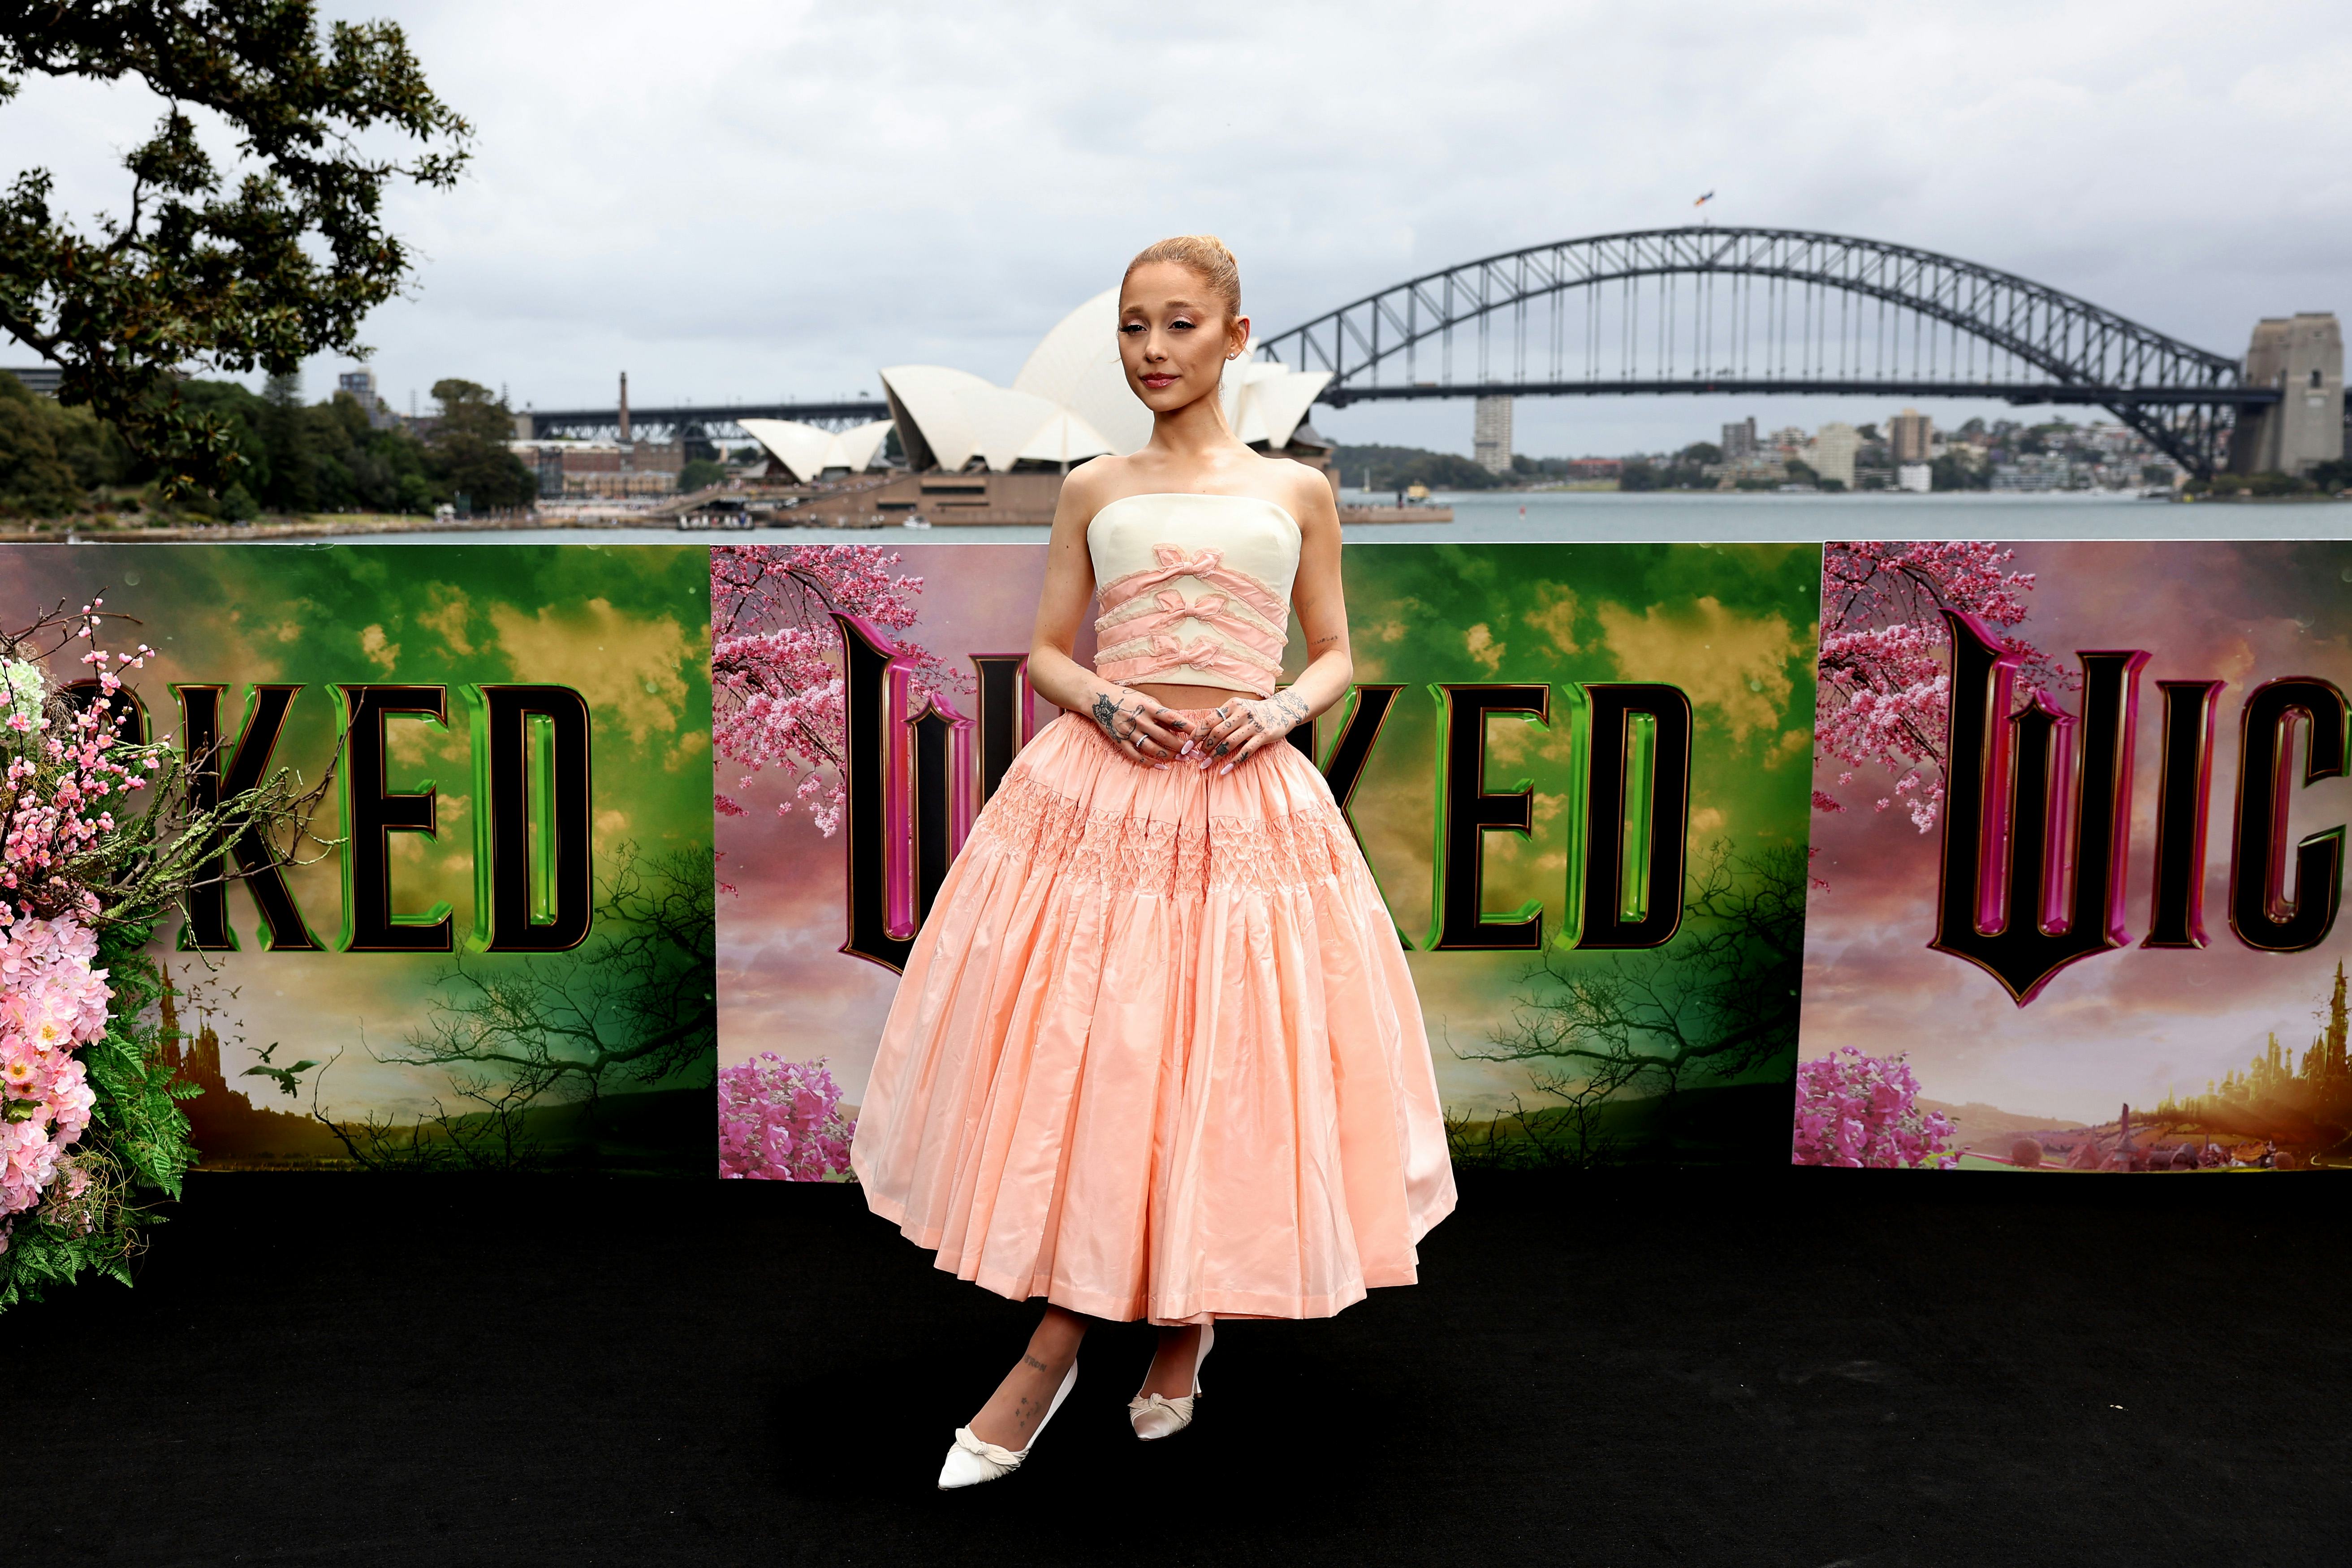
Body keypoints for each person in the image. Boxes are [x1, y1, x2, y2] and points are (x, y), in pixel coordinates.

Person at [848, 234, 1456, 1490]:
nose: (1150, 351)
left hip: (1245, 800)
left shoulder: (1298, 491)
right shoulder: (1092, 485)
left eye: (1179, 325)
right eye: (1134, 327)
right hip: (1102, 801)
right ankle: (1061, 1347)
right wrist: (1100, 701)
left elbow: (1335, 649)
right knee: (1099, 1060)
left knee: (1223, 1060)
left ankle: (1180, 1322)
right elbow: (1048, 652)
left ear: (1236, 338)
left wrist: (1285, 709)